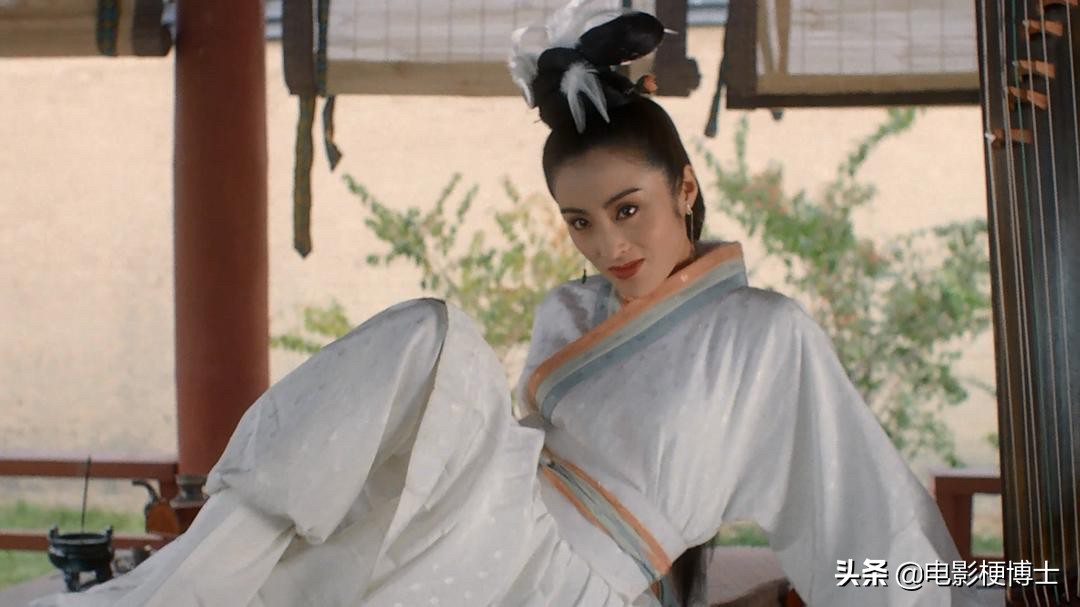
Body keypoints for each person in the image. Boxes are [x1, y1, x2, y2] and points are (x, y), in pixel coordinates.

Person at [34, 2, 985, 606]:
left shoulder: (767, 337)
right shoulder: (572, 313)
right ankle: (194, 574)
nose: (607, 247)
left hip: (573, 577)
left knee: (434, 335)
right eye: (579, 222)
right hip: (500, 523)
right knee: (428, 332)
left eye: (628, 210)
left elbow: (858, 508)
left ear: (685, 188)